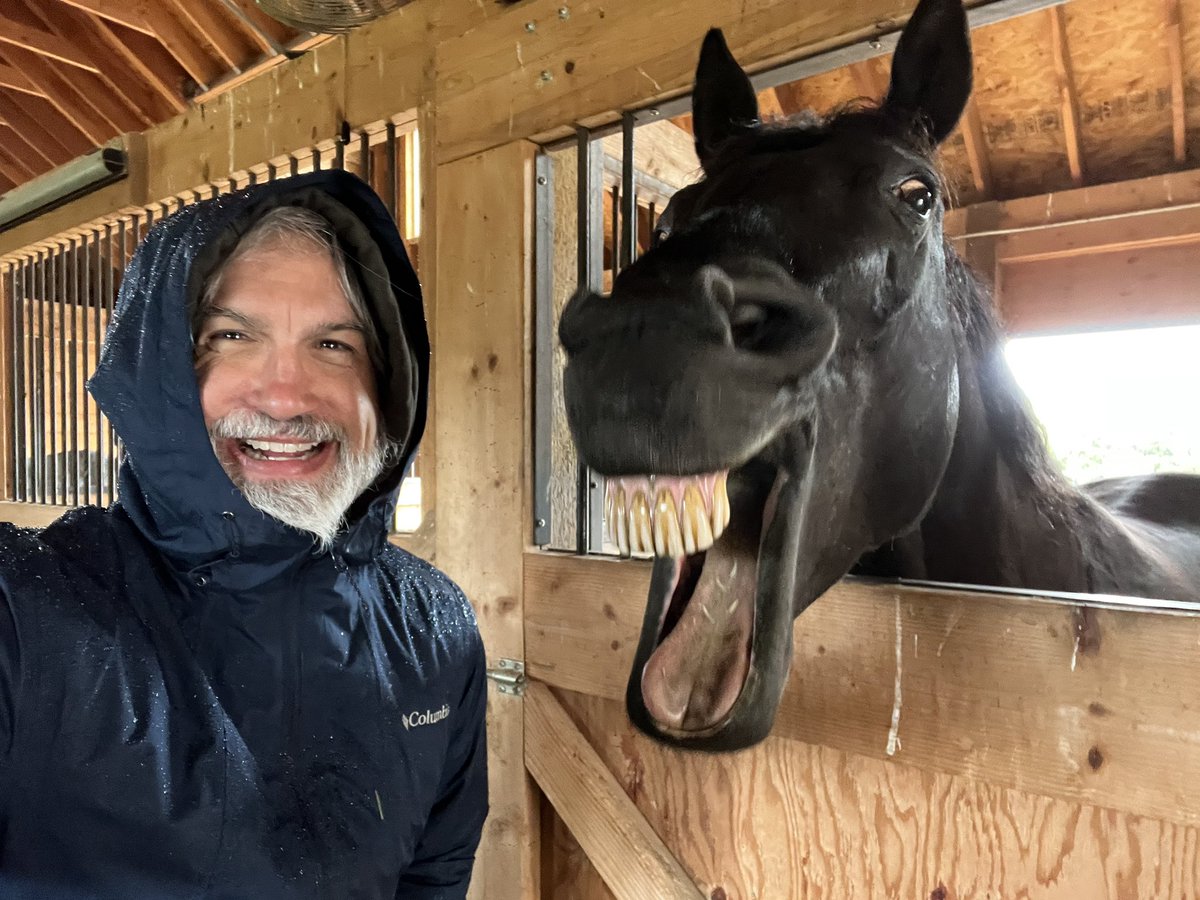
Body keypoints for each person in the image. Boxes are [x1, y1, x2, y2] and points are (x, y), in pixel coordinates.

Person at [0, 170, 488, 898]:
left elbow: (434, 875)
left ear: (389, 387)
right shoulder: (31, 612)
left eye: (334, 344)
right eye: (232, 337)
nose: (286, 396)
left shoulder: (435, 627)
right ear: (154, 372)